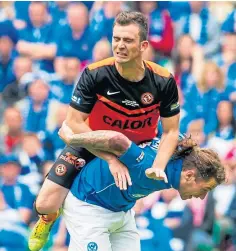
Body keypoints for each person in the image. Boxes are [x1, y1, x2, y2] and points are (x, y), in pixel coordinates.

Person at [28, 11, 180, 251]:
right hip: (90, 141)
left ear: (143, 46)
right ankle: (48, 219)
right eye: (116, 38)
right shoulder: (95, 74)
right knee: (45, 203)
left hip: (135, 148)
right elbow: (74, 123)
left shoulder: (163, 80)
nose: (119, 46)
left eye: (128, 40)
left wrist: (159, 165)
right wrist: (109, 159)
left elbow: (171, 131)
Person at [59, 122, 225, 251]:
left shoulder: (178, 149)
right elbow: (117, 140)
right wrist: (72, 139)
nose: (203, 197)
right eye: (205, 190)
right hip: (89, 204)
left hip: (121, 212)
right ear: (189, 175)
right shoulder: (149, 167)